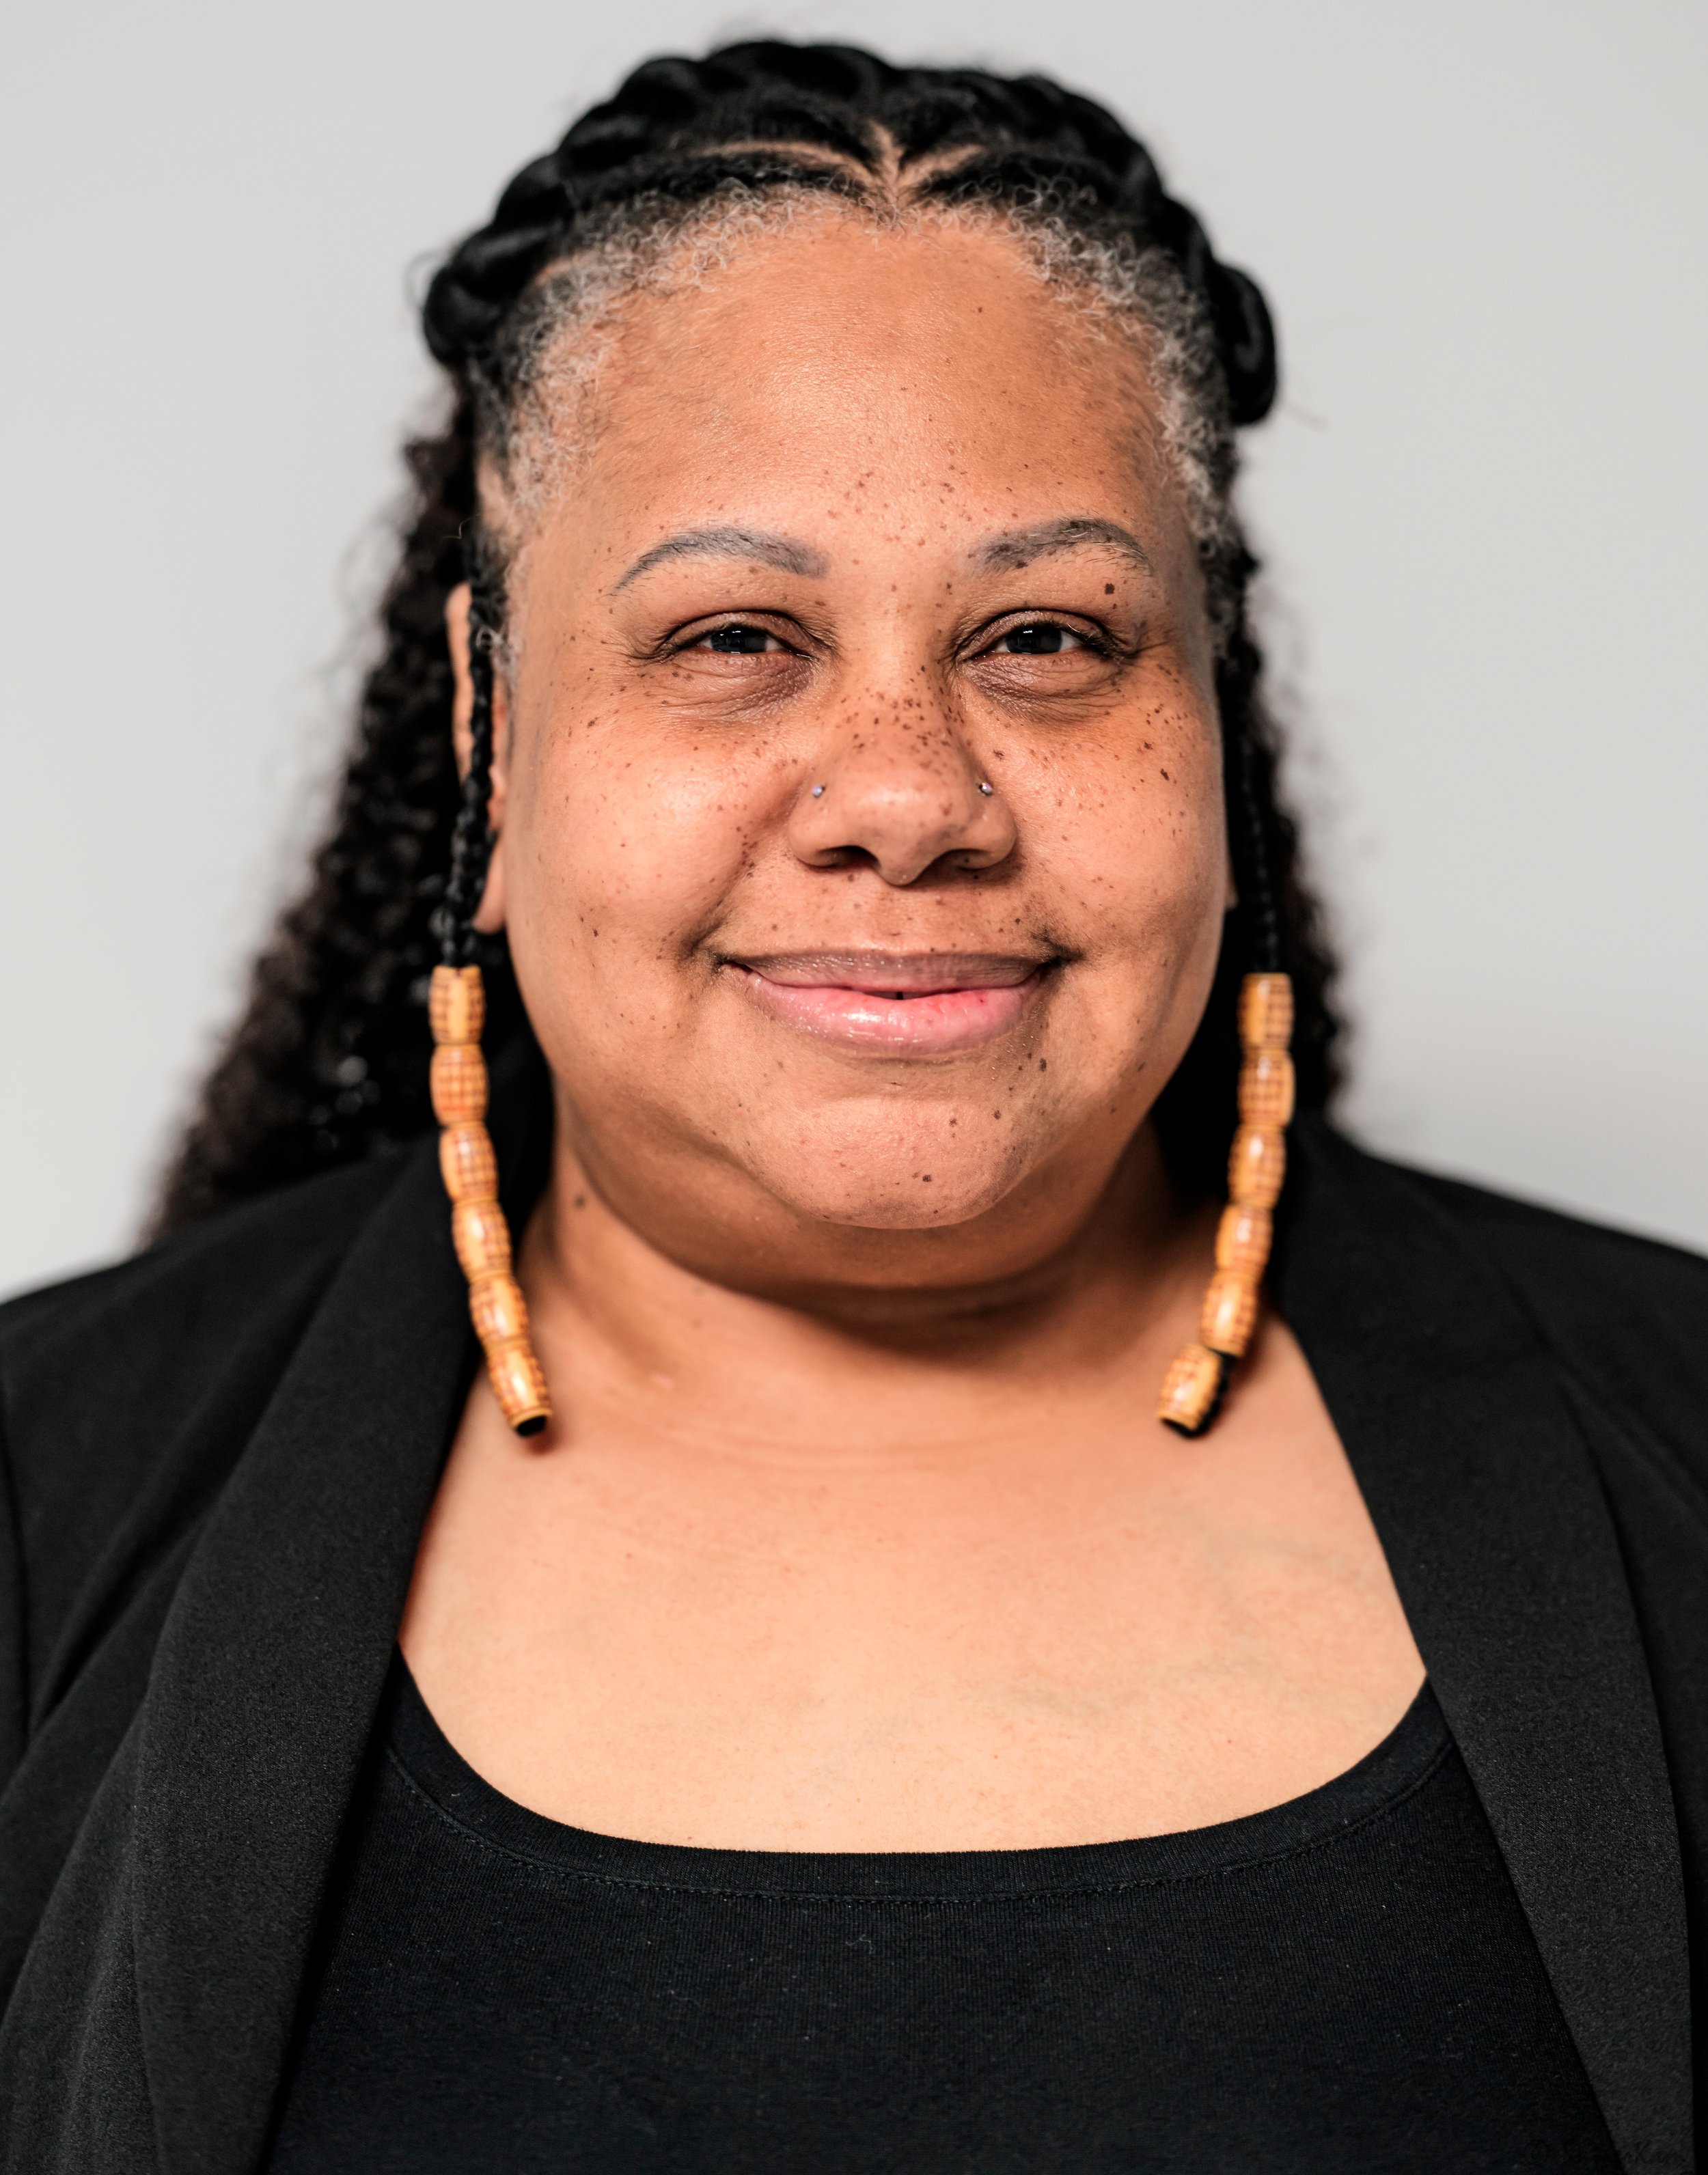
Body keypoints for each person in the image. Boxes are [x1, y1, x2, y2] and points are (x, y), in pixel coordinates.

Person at [0, 40, 1701, 2175]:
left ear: (1208, 708)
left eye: (1048, 639)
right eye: (731, 635)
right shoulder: (35, 1507)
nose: (905, 798)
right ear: (491, 727)